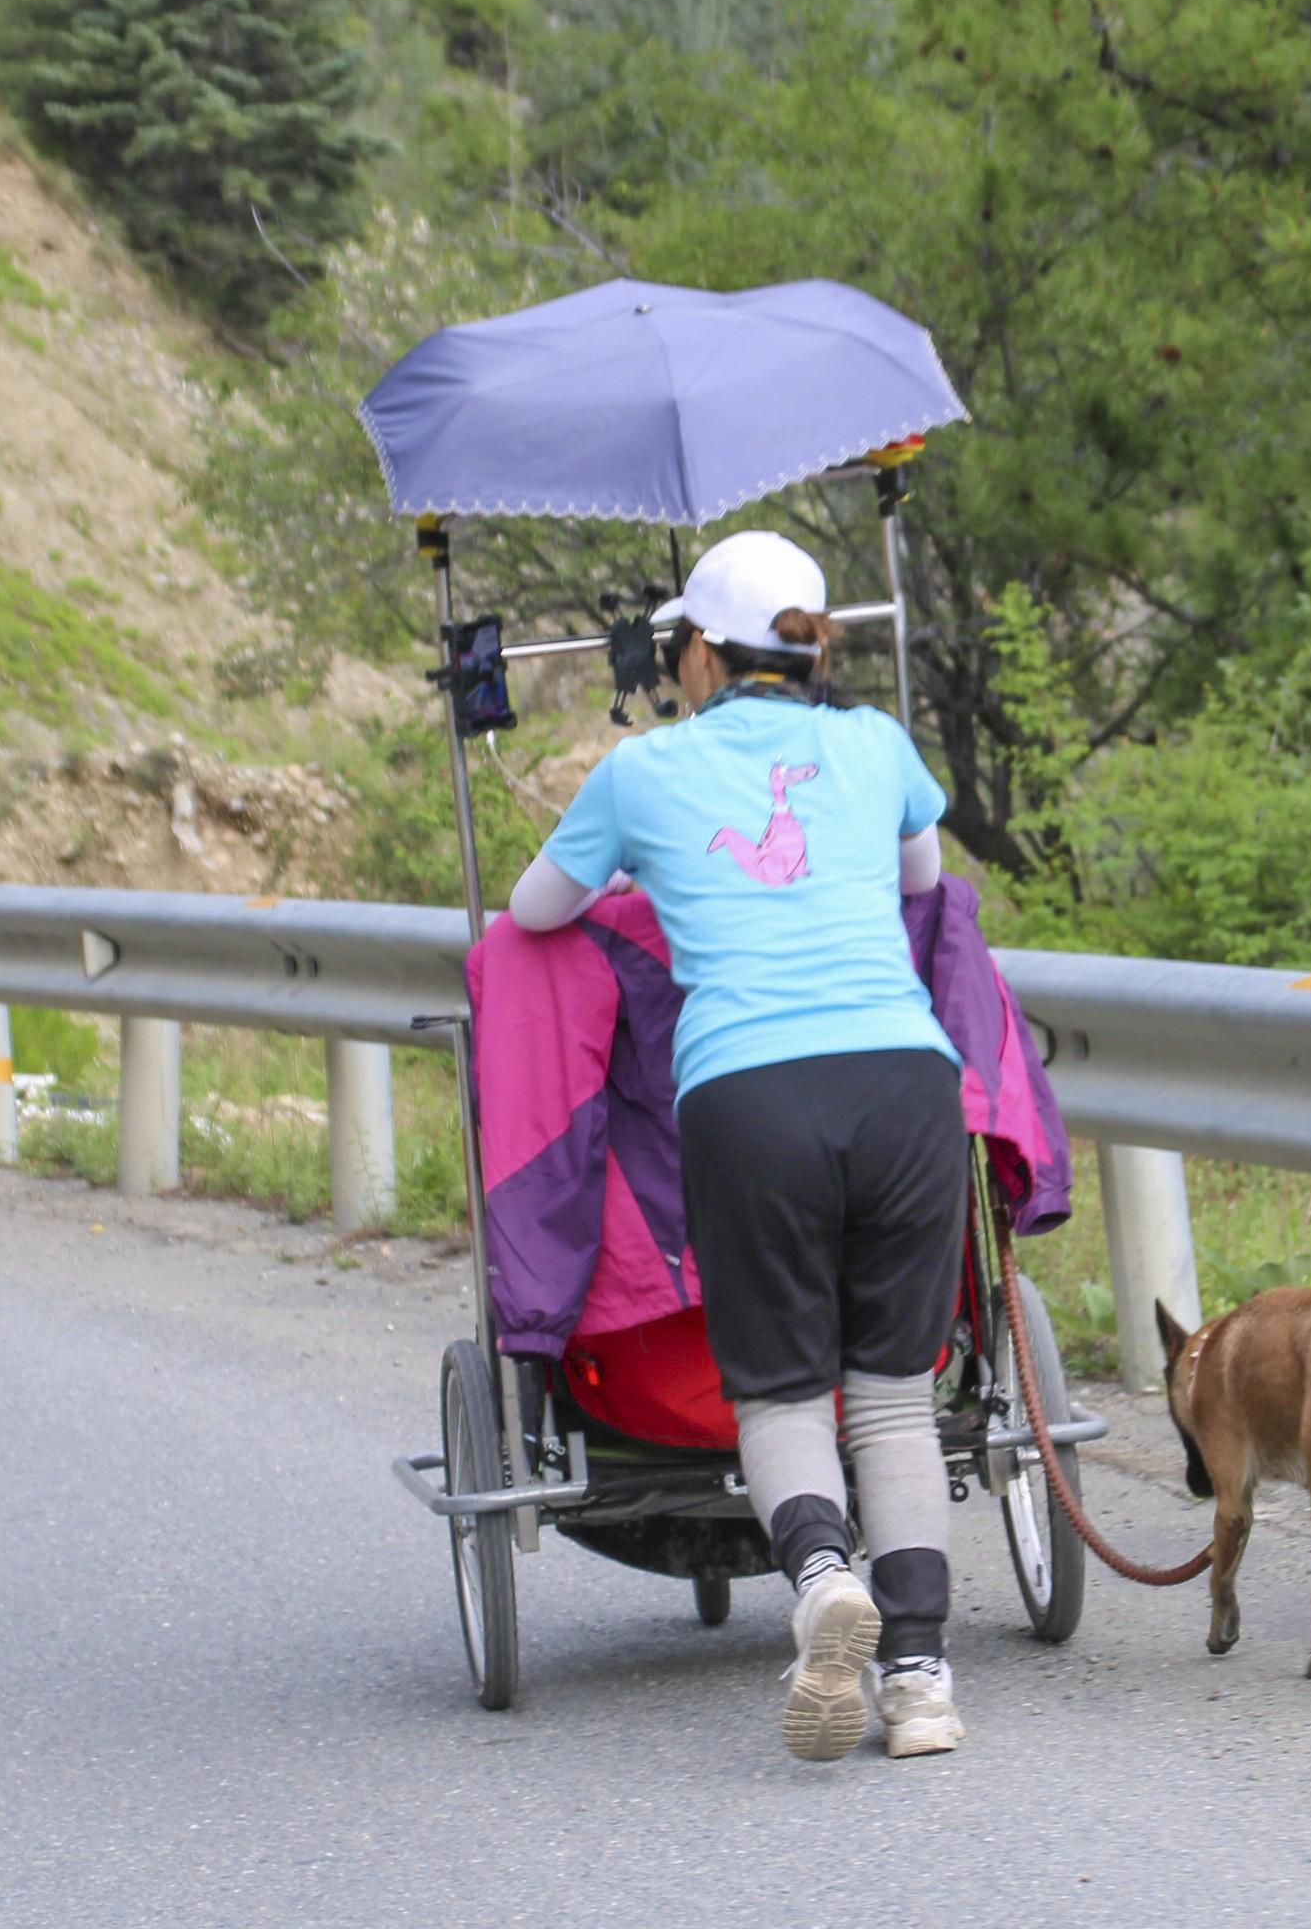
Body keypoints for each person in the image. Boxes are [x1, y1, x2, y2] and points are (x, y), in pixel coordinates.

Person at [506, 530, 964, 1763]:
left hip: (751, 1096)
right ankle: (920, 1681)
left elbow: (535, 909)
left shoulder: (644, 769)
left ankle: (821, 1577)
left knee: (781, 1389)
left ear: (699, 652)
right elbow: (921, 877)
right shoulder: (875, 743)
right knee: (894, 1398)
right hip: (905, 1081)